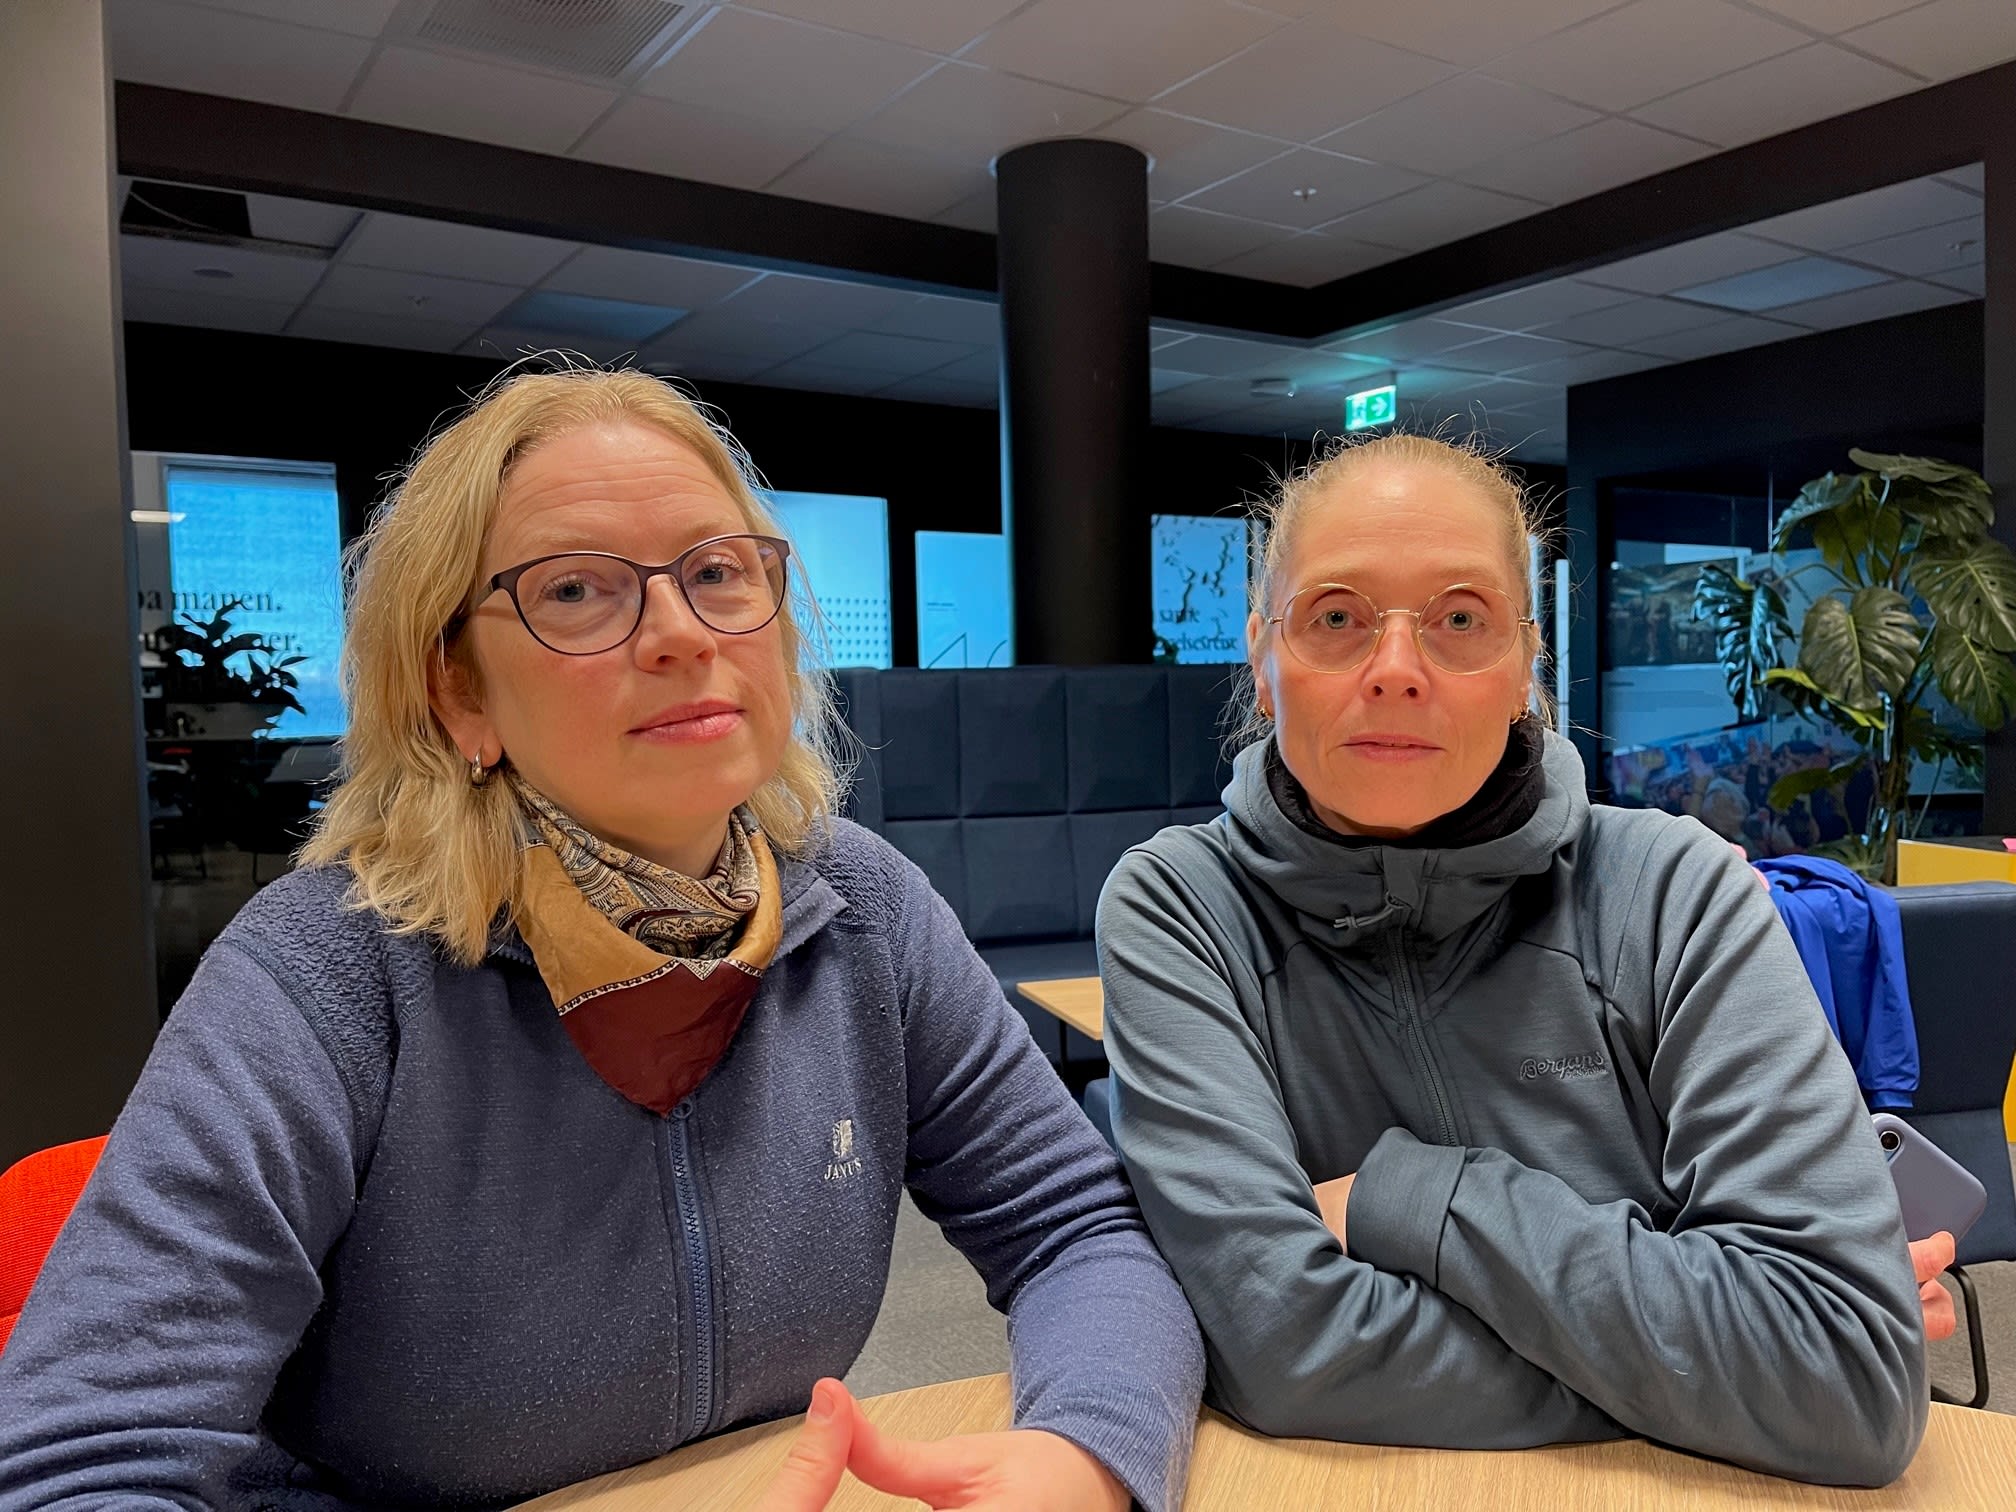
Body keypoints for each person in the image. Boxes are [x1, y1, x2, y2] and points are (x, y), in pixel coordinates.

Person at [0, 368, 1201, 1512]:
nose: (682, 633)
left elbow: (1078, 1231)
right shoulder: (331, 968)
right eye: (575, 590)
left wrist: (1086, 1453)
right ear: (460, 694)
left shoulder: (862, 909)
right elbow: (77, 1464)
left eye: (718, 571)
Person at [1095, 433, 1945, 1488]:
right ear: (1264, 663)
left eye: (1459, 620)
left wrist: (1408, 1197)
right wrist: (1714, 1367)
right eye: (1336, 619)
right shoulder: (1180, 906)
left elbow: (1843, 1380)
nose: (1395, 671)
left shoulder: (1674, 891)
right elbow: (1282, 1343)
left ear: (1524, 666)